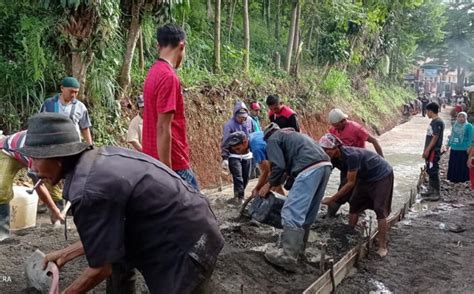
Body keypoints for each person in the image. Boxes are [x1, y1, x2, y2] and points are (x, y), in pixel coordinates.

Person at [21, 113, 224, 294]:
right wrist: (66, 254)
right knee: (117, 259)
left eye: (36, 159)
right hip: (191, 220)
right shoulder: (96, 160)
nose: (33, 167)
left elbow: (100, 269)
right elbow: (106, 235)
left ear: (57, 157)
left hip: (187, 242)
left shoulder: (88, 190)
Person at [260, 123, 332, 271]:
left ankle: (288, 256)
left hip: (309, 168)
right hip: (324, 166)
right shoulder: (294, 136)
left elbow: (278, 166)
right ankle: (299, 252)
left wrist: (268, 184)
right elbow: (287, 168)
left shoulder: (272, 139)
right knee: (307, 212)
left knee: (291, 212)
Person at [142, 23, 199, 191]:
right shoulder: (169, 77)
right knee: (197, 212)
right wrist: (168, 173)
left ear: (158, 45)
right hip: (173, 163)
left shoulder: (153, 72)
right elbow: (162, 127)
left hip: (151, 158)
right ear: (182, 46)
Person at [319, 133, 393, 257]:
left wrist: (332, 198)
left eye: (327, 150)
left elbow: (350, 184)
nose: (325, 152)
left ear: (336, 148)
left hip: (381, 175)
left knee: (380, 209)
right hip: (364, 177)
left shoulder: (351, 156)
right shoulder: (332, 158)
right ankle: (349, 234)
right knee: (354, 204)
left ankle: (382, 246)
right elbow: (324, 173)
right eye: (323, 150)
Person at [0, 131, 64, 241]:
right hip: (8, 151)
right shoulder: (36, 157)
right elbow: (39, 186)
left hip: (30, 153)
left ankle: (59, 222)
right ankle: (3, 234)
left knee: (52, 183)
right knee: (2, 188)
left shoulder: (59, 150)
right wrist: (54, 209)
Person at [327, 108, 384, 217]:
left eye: (337, 125)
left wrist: (381, 159)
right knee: (344, 189)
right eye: (333, 125)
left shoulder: (356, 128)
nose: (335, 128)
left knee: (350, 192)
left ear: (343, 121)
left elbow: (374, 141)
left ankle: (353, 214)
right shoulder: (333, 131)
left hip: (358, 166)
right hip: (344, 165)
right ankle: (338, 214)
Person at [224, 131, 284, 198]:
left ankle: (284, 205)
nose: (238, 152)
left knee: (274, 183)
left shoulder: (256, 148)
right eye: (235, 150)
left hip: (285, 157)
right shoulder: (253, 135)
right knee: (272, 182)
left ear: (245, 142)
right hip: (282, 153)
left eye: (238, 149)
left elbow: (266, 171)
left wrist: (257, 188)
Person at [39, 77, 93, 145]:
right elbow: (40, 124)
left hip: (73, 145)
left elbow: (85, 127)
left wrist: (90, 145)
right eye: (71, 91)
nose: (73, 95)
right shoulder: (49, 104)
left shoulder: (80, 107)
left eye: (76, 92)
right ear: (62, 88)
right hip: (52, 145)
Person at [221, 101, 254, 204]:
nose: (242, 119)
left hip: (247, 155)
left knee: (246, 177)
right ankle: (240, 198)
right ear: (235, 115)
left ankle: (239, 195)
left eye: (244, 117)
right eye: (240, 117)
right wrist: (225, 158)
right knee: (238, 177)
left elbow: (254, 134)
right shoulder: (229, 125)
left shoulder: (250, 121)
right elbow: (225, 141)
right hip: (234, 155)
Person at [421, 102, 444, 201]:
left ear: (431, 111)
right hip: (430, 150)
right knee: (430, 170)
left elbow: (435, 138)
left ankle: (436, 193)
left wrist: (427, 150)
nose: (426, 114)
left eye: (427, 111)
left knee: (433, 170)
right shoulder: (433, 121)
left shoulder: (438, 122)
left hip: (434, 150)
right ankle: (431, 190)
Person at [447, 112, 472, 183]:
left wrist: (469, 147)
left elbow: (470, 138)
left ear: (466, 118)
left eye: (463, 117)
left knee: (462, 164)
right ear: (457, 117)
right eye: (459, 117)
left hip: (464, 149)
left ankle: (462, 179)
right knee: (453, 163)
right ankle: (453, 178)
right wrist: (448, 145)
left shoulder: (469, 126)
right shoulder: (455, 125)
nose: (461, 118)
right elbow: (452, 136)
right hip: (454, 147)